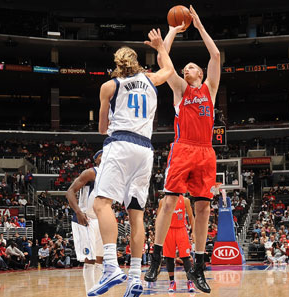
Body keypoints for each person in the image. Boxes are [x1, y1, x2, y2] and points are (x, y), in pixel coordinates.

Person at [87, 28, 175, 297]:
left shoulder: (109, 86)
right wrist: (161, 46)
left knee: (101, 203)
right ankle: (135, 276)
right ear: (137, 62)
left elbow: (103, 128)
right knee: (136, 214)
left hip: (121, 144)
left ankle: (111, 266)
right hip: (146, 149)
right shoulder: (151, 79)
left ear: (117, 63)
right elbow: (169, 70)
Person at [145, 6, 221, 294]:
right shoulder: (180, 89)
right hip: (183, 149)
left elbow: (215, 55)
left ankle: (199, 266)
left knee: (203, 207)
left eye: (191, 67)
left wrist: (199, 26)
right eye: (185, 67)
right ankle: (155, 257)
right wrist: (173, 31)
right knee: (167, 202)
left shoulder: (210, 89)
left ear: (199, 73)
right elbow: (164, 59)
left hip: (205, 151)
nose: (186, 69)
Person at [66, 150, 104, 293]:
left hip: (100, 220)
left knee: (100, 260)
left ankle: (98, 292)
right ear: (96, 160)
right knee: (90, 260)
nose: (104, 156)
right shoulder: (91, 172)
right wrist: (78, 212)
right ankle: (90, 293)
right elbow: (69, 191)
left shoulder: (111, 175)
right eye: (100, 155)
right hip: (85, 218)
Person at [159, 195, 195, 293]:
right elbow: (159, 219)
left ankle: (190, 281)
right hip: (168, 230)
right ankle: (172, 282)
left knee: (186, 256)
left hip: (181, 229)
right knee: (169, 257)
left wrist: (193, 231)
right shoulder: (163, 201)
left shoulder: (185, 200)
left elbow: (191, 216)